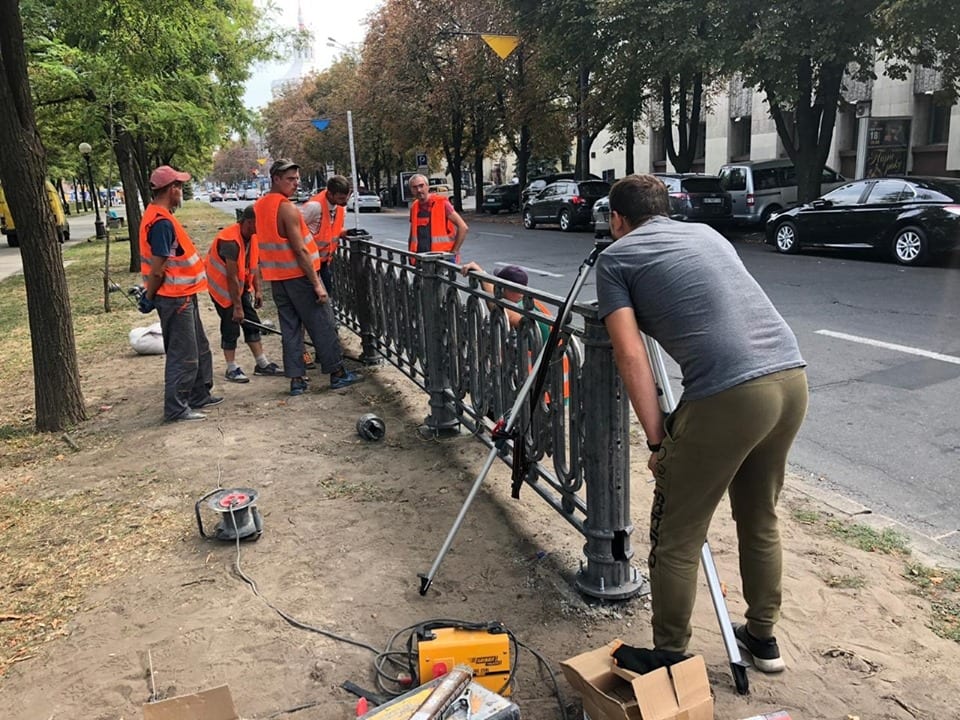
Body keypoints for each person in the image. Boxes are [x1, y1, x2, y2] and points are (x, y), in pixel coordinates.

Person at [595, 174, 808, 672]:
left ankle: (669, 654)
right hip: (791, 378)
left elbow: (630, 356)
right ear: (666, 209)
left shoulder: (616, 258)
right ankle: (763, 640)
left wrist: (657, 439)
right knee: (760, 517)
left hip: (730, 394)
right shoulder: (707, 233)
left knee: (677, 533)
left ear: (617, 220)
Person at [253, 159, 360, 396]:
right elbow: (300, 249)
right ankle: (337, 373)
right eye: (290, 179)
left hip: (277, 278)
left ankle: (297, 380)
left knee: (290, 329)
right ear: (275, 179)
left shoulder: (260, 206)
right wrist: (317, 284)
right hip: (299, 276)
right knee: (323, 323)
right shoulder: (287, 208)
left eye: (297, 178)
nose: (296, 183)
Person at [138, 165, 221, 422]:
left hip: (183, 293)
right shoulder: (161, 222)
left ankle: (199, 395)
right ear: (171, 189)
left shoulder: (160, 215)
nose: (181, 192)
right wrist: (150, 296)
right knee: (183, 354)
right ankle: (176, 408)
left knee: (199, 348)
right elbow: (159, 267)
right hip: (175, 296)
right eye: (180, 187)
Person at [204, 205, 282, 383]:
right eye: (259, 224)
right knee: (231, 327)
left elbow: (253, 265)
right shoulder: (230, 241)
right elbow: (231, 277)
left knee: (252, 323)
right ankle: (231, 368)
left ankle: (261, 364)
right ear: (248, 222)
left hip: (239, 289)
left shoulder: (252, 237)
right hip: (223, 291)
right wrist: (237, 308)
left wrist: (258, 290)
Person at [307, 174, 350, 297]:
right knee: (316, 299)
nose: (345, 201)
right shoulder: (314, 207)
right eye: (341, 198)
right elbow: (296, 228)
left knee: (326, 296)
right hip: (309, 263)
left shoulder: (340, 207)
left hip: (324, 261)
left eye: (346, 197)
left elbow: (332, 230)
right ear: (330, 194)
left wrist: (345, 233)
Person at [407, 174, 468, 260]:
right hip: (422, 258)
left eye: (421, 186)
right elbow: (412, 233)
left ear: (427, 187)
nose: (419, 190)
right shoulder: (414, 207)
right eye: (415, 187)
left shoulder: (442, 203)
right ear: (411, 190)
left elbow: (463, 227)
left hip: (443, 259)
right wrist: (411, 255)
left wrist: (453, 253)